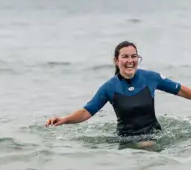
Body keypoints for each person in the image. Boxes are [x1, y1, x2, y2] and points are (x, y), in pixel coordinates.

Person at [45, 40, 191, 137]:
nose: (130, 61)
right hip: (125, 141)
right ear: (116, 61)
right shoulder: (109, 87)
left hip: (154, 135)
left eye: (134, 56)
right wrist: (63, 119)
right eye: (125, 57)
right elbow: (86, 112)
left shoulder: (151, 78)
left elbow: (182, 91)